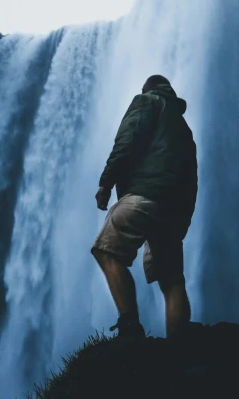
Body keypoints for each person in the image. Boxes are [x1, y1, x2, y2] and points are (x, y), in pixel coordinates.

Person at [91, 74, 198, 339]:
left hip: (144, 195)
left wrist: (106, 183)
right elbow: (192, 179)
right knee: (172, 281)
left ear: (148, 89)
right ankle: (180, 347)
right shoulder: (185, 131)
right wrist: (182, 221)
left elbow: (126, 141)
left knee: (106, 250)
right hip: (173, 210)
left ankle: (130, 326)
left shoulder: (146, 101)